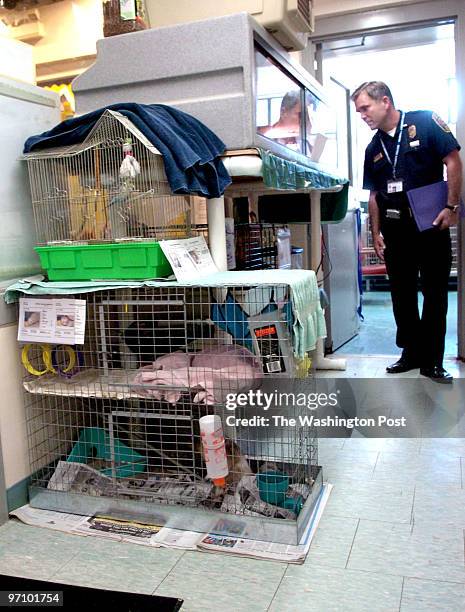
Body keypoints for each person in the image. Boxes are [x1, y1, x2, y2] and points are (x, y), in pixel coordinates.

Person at [352, 81, 463, 383]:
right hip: (396, 230)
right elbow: (374, 194)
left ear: (385, 101)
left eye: (365, 108)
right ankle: (411, 353)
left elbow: (453, 160)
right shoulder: (373, 148)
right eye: (358, 110)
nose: (362, 115)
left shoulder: (424, 122)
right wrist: (375, 232)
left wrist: (452, 207)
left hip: (430, 225)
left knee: (435, 293)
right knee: (402, 296)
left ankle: (433, 360)